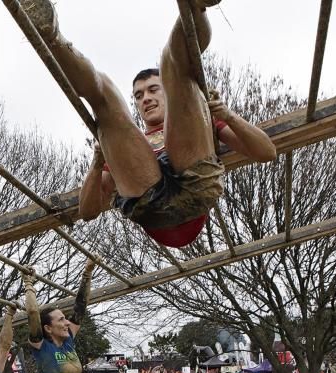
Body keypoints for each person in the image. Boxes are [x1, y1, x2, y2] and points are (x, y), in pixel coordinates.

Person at [22, 0, 274, 249]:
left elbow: (267, 152)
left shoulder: (201, 120)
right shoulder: (133, 147)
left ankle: (196, 6)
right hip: (151, 206)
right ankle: (52, 37)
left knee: (172, 64)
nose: (146, 98)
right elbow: (88, 212)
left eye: (153, 90)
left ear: (166, 93)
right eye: (139, 95)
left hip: (195, 184)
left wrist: (228, 116)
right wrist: (97, 164)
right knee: (106, 100)